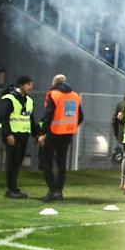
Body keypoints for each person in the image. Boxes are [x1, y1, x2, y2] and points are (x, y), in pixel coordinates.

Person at [37, 74, 83, 202]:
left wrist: (43, 133)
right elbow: (80, 117)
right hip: (68, 133)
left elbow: (48, 116)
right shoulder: (75, 95)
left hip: (53, 132)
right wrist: (71, 126)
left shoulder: (53, 94)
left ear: (54, 83)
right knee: (61, 162)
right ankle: (59, 191)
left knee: (46, 160)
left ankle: (52, 190)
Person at [0, 75, 38, 199]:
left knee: (18, 162)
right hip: (13, 134)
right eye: (29, 84)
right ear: (21, 85)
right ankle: (11, 190)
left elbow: (30, 119)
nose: (31, 87)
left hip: (23, 135)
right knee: (13, 162)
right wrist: (7, 134)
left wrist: (36, 134)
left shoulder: (29, 100)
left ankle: (14, 188)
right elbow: (3, 118)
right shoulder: (9, 98)